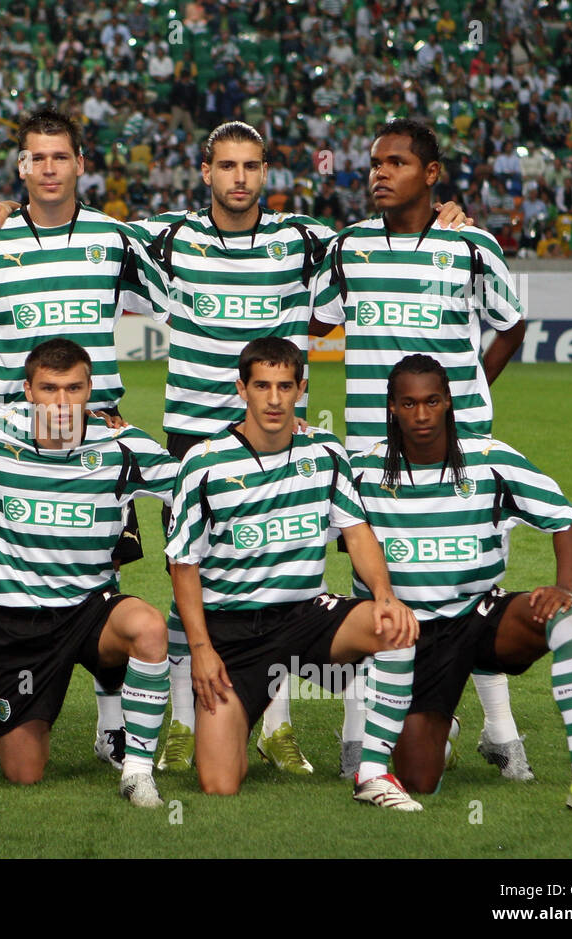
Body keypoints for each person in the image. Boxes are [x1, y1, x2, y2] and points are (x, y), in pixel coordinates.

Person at [0, 120, 467, 776]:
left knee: (280, 567)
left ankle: (277, 722)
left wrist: (443, 212)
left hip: (275, 431)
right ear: (205, 172)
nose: (239, 178)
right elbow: (69, 218)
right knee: (185, 574)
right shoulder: (164, 236)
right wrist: (10, 205)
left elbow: (381, 234)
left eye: (251, 166)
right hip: (193, 435)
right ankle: (176, 716)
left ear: (266, 173)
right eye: (226, 166)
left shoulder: (304, 237)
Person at [310, 118, 529, 778]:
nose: (379, 172)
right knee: (370, 578)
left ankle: (500, 729)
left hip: (458, 450)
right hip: (374, 449)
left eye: (397, 163)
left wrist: (467, 401)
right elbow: (317, 322)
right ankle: (359, 734)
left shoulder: (470, 246)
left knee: (469, 579)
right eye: (375, 162)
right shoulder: (347, 248)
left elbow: (511, 327)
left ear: (431, 175)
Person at [0, 107, 170, 770]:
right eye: (36, 158)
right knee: (2, 569)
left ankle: (113, 724)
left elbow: (183, 288)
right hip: (12, 435)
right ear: (20, 167)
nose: (49, 169)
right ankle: (3, 718)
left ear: (80, 164)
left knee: (102, 568)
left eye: (60, 157)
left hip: (96, 430)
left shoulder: (114, 238)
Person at [351, 355, 572, 821]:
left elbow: (565, 519)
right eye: (409, 403)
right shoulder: (361, 472)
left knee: (563, 617)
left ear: (448, 404)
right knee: (420, 780)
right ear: (392, 408)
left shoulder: (491, 459)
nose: (422, 415)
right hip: (408, 636)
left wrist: (565, 585)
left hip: (479, 615)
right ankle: (446, 731)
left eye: (432, 401)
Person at [165, 338, 423, 809]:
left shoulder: (324, 451)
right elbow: (183, 565)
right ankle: (244, 723)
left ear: (301, 388)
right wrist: (200, 649)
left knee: (394, 627)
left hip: (306, 614)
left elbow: (358, 531)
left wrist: (384, 593)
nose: (275, 398)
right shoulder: (203, 463)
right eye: (262, 385)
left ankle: (372, 772)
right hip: (234, 631)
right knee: (220, 783)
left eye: (285, 386)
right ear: (241, 388)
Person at [0, 339, 180, 807]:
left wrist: (272, 440)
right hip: (20, 622)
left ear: (89, 390)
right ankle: (3, 719)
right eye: (49, 389)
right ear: (27, 391)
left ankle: (137, 771)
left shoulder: (121, 445)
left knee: (148, 627)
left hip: (90, 611)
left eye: (73, 388)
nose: (61, 403)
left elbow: (195, 480)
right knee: (23, 775)